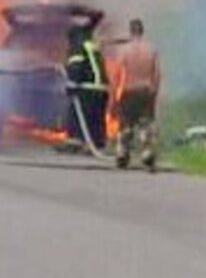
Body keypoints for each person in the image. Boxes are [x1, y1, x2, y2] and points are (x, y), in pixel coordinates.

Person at [114, 18, 161, 171]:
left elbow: (117, 73)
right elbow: (157, 74)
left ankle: (122, 153)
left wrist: (115, 94)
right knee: (146, 125)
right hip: (146, 91)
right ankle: (147, 154)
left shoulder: (124, 50)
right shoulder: (151, 50)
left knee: (125, 126)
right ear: (142, 31)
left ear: (130, 31)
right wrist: (154, 92)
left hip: (128, 91)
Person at [65, 23, 109, 150]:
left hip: (88, 88)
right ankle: (97, 142)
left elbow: (76, 68)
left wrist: (71, 86)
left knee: (78, 114)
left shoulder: (77, 47)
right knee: (96, 118)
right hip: (102, 89)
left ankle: (75, 141)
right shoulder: (92, 45)